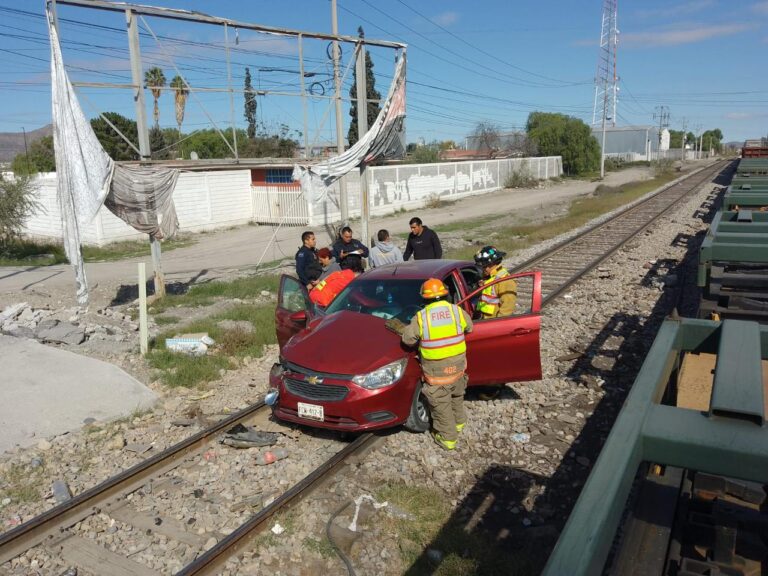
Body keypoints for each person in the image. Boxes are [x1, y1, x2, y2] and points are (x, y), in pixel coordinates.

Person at [401, 278, 473, 451]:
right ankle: (459, 423)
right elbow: (469, 328)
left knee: (440, 403)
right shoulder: (456, 311)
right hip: (458, 365)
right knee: (456, 394)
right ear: (444, 294)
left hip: (437, 369)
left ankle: (448, 438)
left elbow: (408, 339)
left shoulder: (421, 317)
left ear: (424, 298)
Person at [474, 245, 517, 319]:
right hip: (484, 320)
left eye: (483, 266)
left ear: (491, 264)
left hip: (493, 323)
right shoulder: (490, 277)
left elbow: (507, 308)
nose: (482, 269)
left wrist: (498, 325)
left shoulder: (504, 280)